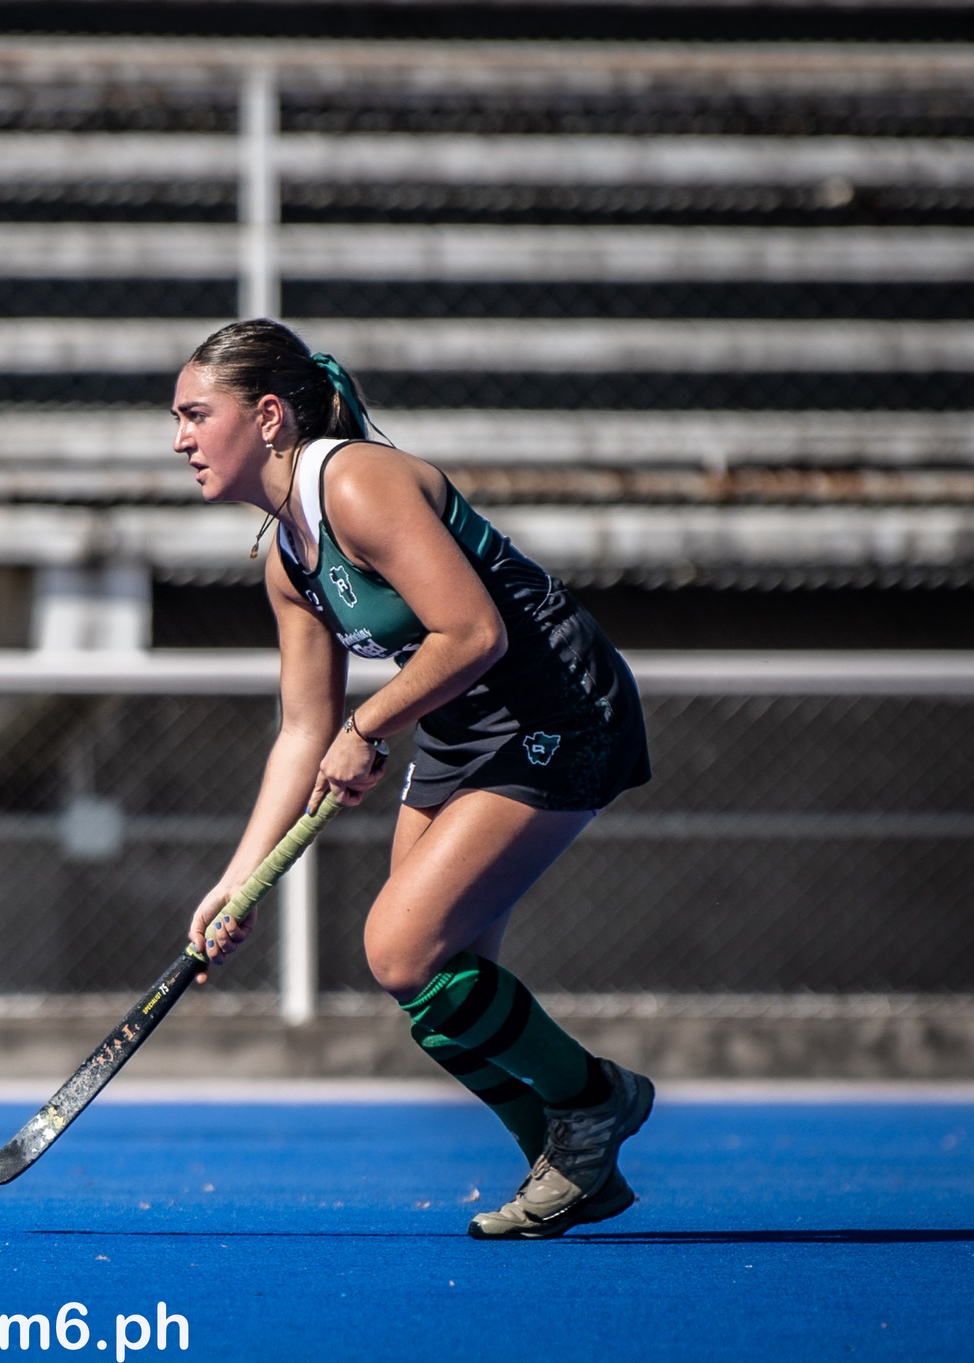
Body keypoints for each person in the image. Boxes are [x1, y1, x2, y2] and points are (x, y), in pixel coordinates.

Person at [174, 320, 655, 1239]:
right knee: (436, 992)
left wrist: (369, 725)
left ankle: (596, 1100)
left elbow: (475, 634)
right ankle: (570, 1169)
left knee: (399, 946)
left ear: (268, 417)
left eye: (197, 414)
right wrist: (239, 881)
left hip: (560, 711)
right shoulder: (286, 557)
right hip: (465, 733)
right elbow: (303, 730)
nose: (179, 439)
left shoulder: (356, 480)